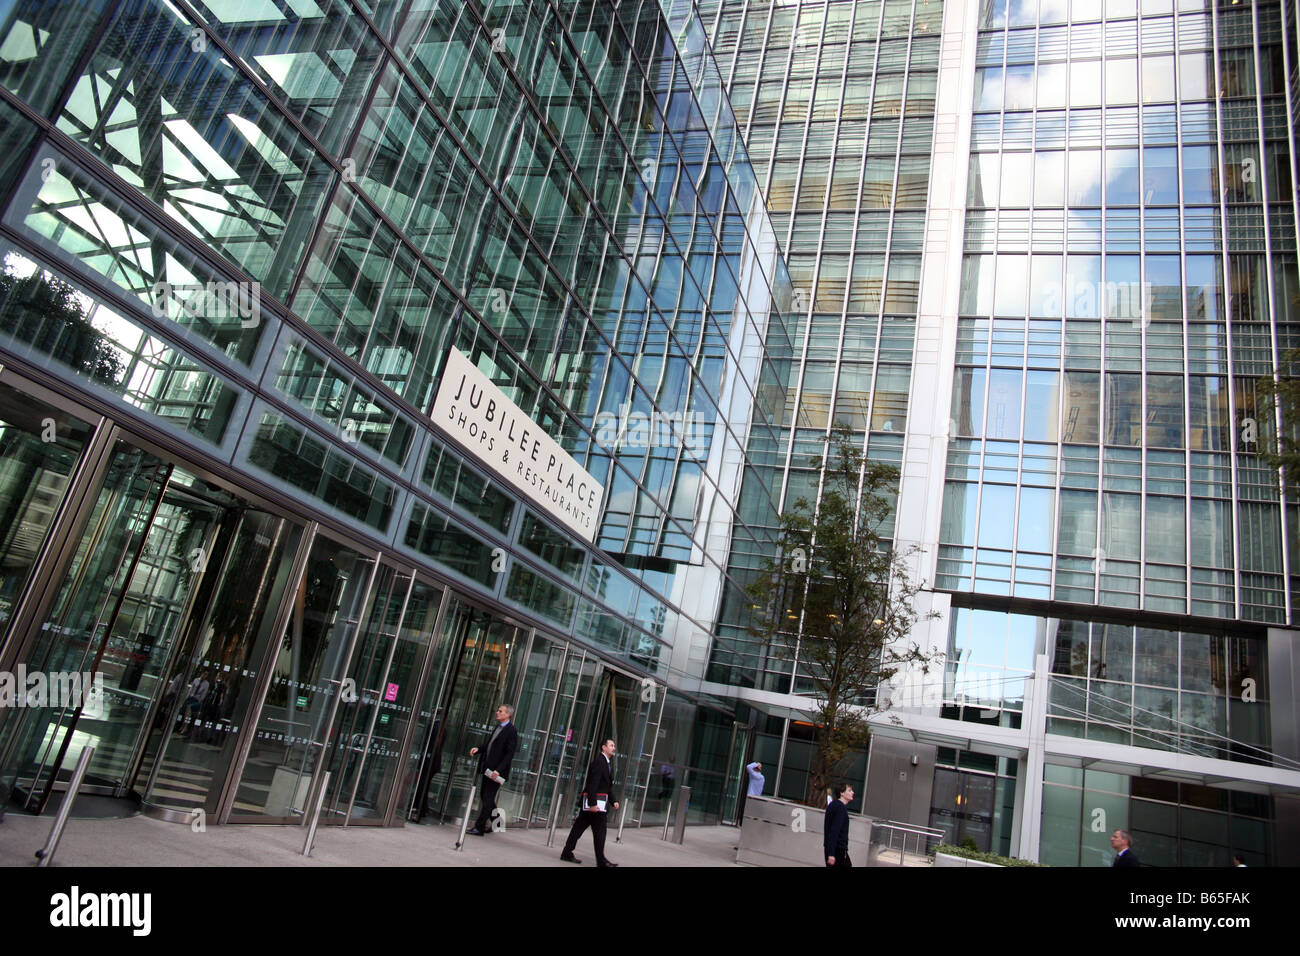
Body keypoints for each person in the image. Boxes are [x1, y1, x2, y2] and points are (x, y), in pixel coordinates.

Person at [560, 738, 620, 867]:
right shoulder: (599, 762)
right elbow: (593, 784)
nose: (613, 748)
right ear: (603, 748)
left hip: (596, 805)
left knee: (579, 829)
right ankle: (601, 860)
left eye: (614, 746)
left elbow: (606, 786)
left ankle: (567, 852)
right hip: (595, 806)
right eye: (611, 745)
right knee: (599, 832)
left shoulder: (606, 763)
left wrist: (613, 800)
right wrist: (593, 804)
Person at [467, 704, 518, 836]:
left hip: (496, 772)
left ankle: (479, 827)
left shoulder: (511, 731)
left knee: (488, 797)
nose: (497, 712)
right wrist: (478, 749)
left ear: (508, 715)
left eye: (500, 711)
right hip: (488, 769)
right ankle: (498, 824)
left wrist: (499, 770)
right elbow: (490, 744)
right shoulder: (498, 728)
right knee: (485, 796)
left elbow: (509, 754)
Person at [824, 782, 853, 867]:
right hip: (838, 850)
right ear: (842, 793)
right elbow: (834, 831)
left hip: (833, 849)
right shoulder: (840, 808)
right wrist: (831, 854)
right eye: (849, 790)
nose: (852, 792)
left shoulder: (833, 805)